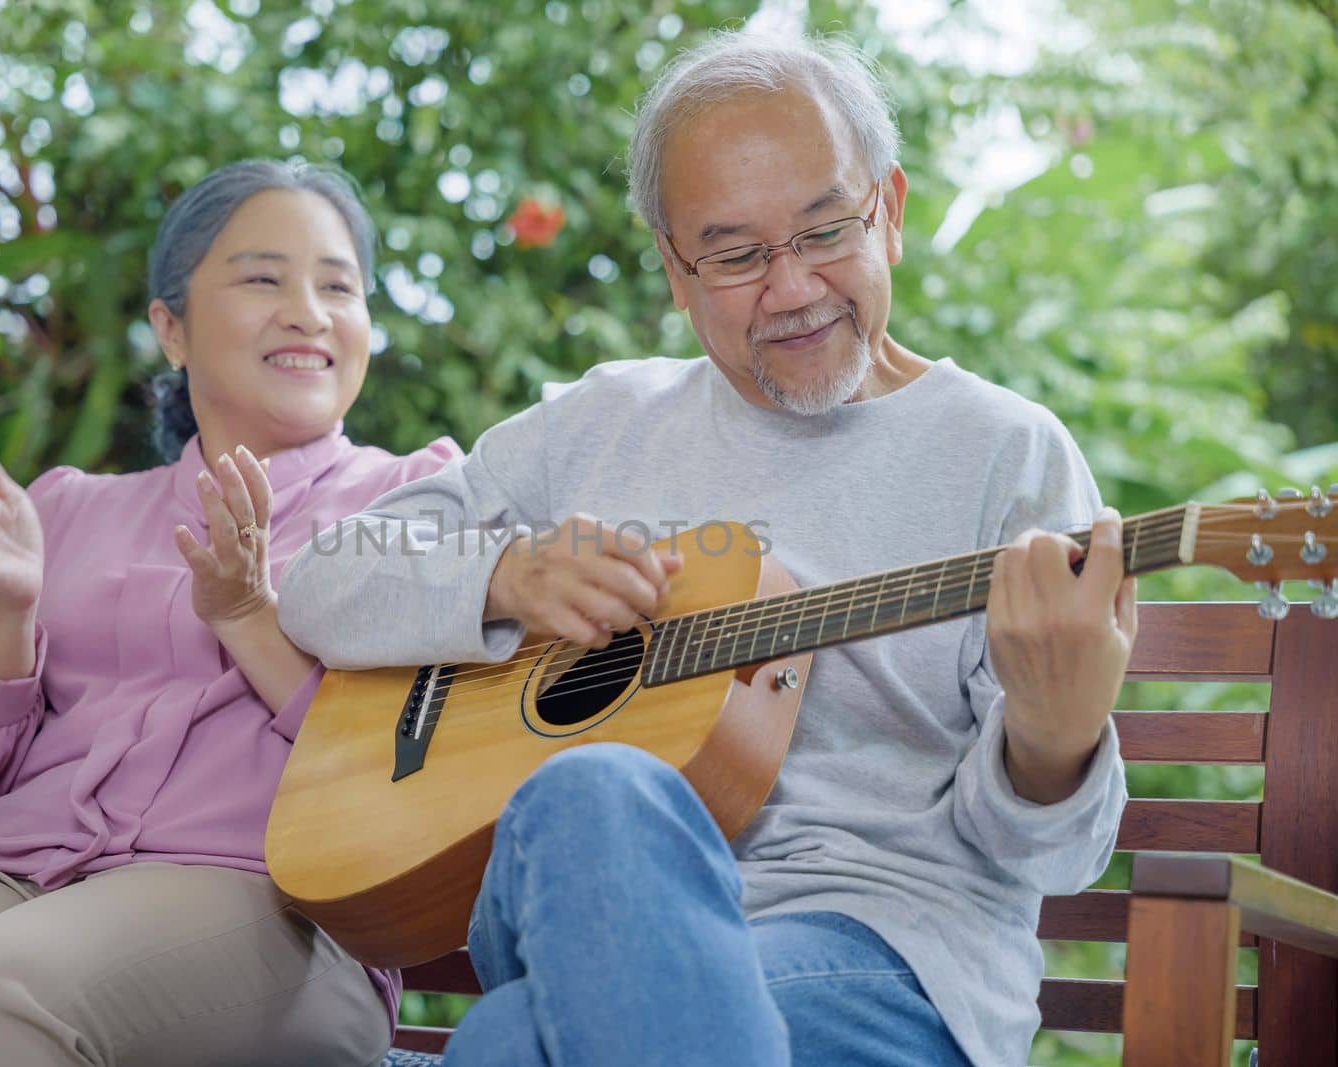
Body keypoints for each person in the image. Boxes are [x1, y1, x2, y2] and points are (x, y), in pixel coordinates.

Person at [277, 32, 1132, 1067]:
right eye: (734, 255)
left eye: (826, 230)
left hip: (882, 959)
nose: (791, 287)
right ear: (674, 271)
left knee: (507, 1041)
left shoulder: (1004, 452)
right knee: (594, 788)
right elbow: (321, 583)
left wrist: (1053, 729)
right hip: (575, 910)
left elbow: (1055, 855)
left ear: (890, 211)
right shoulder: (599, 421)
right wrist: (504, 574)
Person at [0, 159, 460, 1067]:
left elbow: (422, 755)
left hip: (278, 911)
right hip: (23, 875)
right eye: (263, 277)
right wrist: (7, 606)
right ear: (170, 327)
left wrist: (247, 618)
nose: (308, 311)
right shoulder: (72, 507)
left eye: (338, 286)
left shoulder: (418, 503)